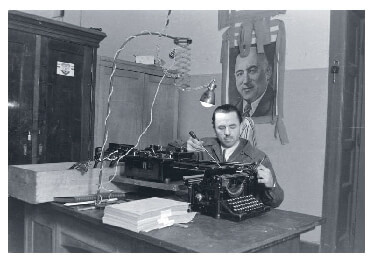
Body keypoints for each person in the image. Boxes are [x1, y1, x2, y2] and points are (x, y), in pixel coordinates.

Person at [187, 104, 283, 208]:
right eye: (221, 127)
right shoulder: (202, 146)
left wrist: (271, 185)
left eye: (232, 127)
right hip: (206, 213)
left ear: (241, 127)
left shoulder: (258, 157)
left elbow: (276, 202)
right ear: (214, 128)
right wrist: (185, 150)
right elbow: (170, 149)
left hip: (243, 217)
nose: (227, 133)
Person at [234, 45, 274, 118]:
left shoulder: (276, 106)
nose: (246, 81)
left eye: (252, 71)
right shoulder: (232, 110)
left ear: (268, 72)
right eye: (240, 73)